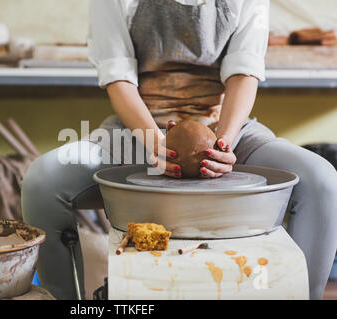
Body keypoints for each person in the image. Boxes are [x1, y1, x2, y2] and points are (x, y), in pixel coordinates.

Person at [22, 0, 337, 300]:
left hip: (224, 125)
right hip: (137, 129)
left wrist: (222, 145)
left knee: (321, 180)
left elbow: (244, 72)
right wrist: (156, 143)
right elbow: (119, 78)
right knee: (43, 179)